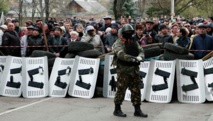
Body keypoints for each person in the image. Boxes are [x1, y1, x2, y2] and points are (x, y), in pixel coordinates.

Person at [111, 24, 148, 118]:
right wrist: (132, 59)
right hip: (123, 70)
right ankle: (117, 109)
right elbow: (120, 54)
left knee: (136, 90)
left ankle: (137, 109)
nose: (128, 34)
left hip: (134, 70)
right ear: (123, 33)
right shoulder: (119, 42)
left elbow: (141, 50)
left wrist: (140, 57)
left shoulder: (134, 42)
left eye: (130, 32)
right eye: (126, 33)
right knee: (121, 90)